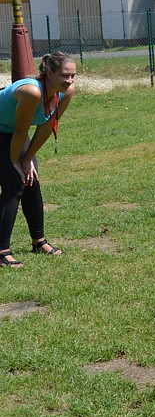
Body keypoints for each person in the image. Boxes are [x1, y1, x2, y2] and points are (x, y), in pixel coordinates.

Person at [0, 52, 76, 267]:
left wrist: (29, 159)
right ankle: (1, 251)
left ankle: (38, 241)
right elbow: (22, 131)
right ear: (49, 73)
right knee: (14, 183)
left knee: (31, 179)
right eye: (64, 75)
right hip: (8, 131)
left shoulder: (65, 92)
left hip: (12, 131)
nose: (69, 81)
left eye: (73, 76)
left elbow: (45, 128)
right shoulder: (32, 91)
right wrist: (17, 162)